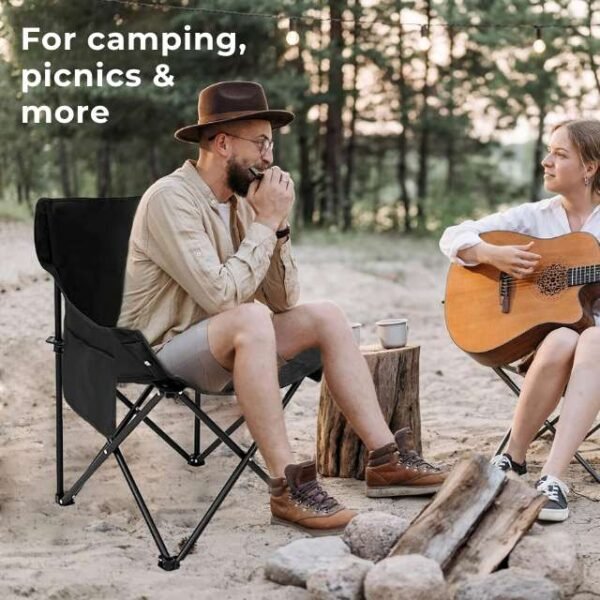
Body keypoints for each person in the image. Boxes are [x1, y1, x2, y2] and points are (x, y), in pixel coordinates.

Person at [118, 80, 447, 536]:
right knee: (250, 317)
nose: (269, 157)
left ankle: (386, 459)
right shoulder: (170, 199)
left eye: (270, 144)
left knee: (326, 314)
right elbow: (222, 297)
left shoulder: (240, 203)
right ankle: (286, 487)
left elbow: (283, 300)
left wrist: (275, 225)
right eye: (261, 143)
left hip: (228, 343)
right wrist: (266, 222)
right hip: (162, 350)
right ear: (222, 143)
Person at [440, 118, 600, 522]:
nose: (546, 161)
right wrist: (491, 255)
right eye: (549, 151)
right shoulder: (536, 217)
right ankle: (513, 457)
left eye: (560, 155)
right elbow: (453, 235)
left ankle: (554, 479)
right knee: (564, 337)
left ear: (589, 168)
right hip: (545, 344)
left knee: (591, 340)